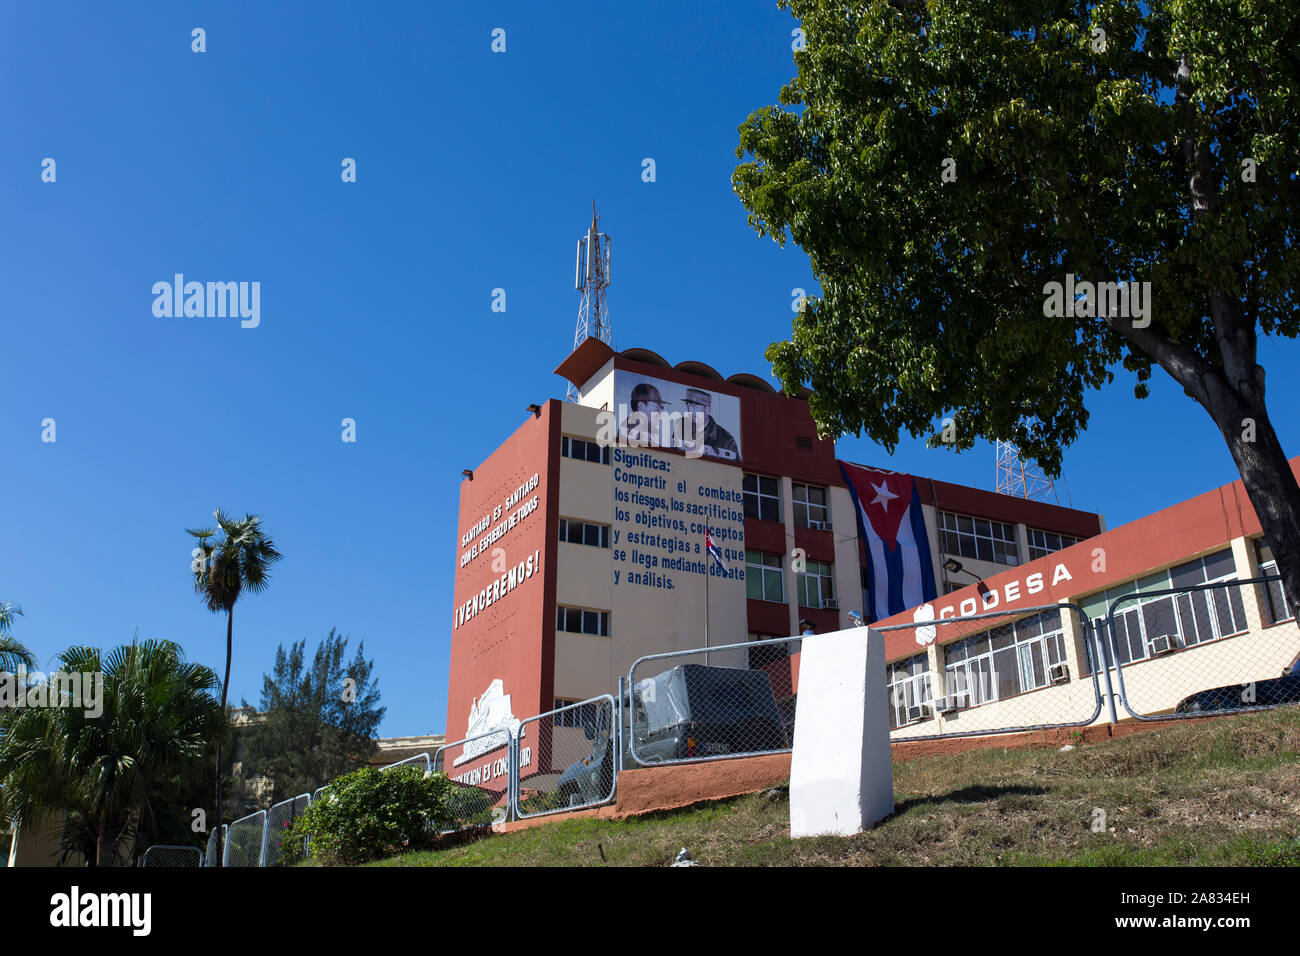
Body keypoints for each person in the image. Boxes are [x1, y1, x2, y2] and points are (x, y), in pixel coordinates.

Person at [677, 388, 739, 460]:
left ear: (707, 409)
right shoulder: (681, 425)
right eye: (688, 406)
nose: (690, 411)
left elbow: (734, 469)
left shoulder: (726, 439)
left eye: (694, 407)